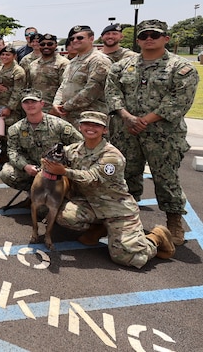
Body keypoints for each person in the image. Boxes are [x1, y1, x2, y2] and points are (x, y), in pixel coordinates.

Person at [106, 19, 199, 246]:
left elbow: (178, 101)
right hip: (126, 132)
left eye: (154, 35)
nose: (149, 38)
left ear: (166, 39)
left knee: (166, 179)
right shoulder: (122, 66)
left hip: (164, 136)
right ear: (138, 40)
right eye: (144, 35)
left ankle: (174, 222)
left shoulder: (181, 68)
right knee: (126, 176)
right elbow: (112, 92)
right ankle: (127, 220)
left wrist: (144, 120)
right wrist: (127, 117)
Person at [42, 111, 175, 267]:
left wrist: (64, 171)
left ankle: (155, 238)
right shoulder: (72, 150)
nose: (90, 128)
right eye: (86, 124)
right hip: (90, 204)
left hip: (116, 208)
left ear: (105, 130)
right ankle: (99, 228)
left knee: (128, 258)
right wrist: (46, 163)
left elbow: (92, 177)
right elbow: (47, 161)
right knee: (64, 216)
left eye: (96, 125)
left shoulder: (112, 156)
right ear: (80, 127)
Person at [0, 89, 81, 197]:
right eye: (26, 102)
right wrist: (25, 166)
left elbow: (80, 145)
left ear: (42, 104)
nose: (30, 105)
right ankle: (35, 192)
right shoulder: (16, 129)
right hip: (33, 170)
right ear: (22, 105)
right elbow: (12, 151)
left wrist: (64, 166)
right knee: (7, 173)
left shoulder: (59, 125)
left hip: (57, 171)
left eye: (34, 102)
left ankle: (65, 193)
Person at [52, 25, 111, 125]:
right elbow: (64, 85)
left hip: (91, 119)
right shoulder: (73, 61)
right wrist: (56, 103)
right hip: (69, 116)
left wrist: (66, 106)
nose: (75, 40)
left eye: (80, 38)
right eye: (72, 38)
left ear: (91, 39)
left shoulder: (99, 60)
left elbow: (92, 90)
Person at [0, 45, 25, 163]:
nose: (5, 56)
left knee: (11, 133)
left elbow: (18, 91)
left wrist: (10, 107)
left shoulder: (18, 71)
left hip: (11, 108)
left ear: (14, 56)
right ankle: (4, 155)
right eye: (3, 54)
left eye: (8, 54)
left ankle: (13, 158)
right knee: (1, 132)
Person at [25, 33, 68, 113]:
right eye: (42, 44)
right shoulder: (33, 64)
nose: (46, 46)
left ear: (55, 45)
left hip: (54, 109)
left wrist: (56, 108)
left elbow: (65, 89)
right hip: (36, 108)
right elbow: (29, 87)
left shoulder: (63, 63)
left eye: (50, 44)